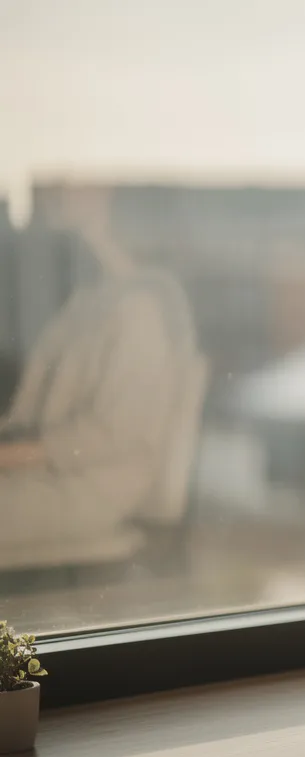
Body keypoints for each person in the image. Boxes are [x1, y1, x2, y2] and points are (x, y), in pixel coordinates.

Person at [0, 186, 198, 562]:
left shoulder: (139, 311)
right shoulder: (91, 301)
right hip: (46, 474)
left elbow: (110, 436)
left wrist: (8, 456)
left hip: (86, 486)